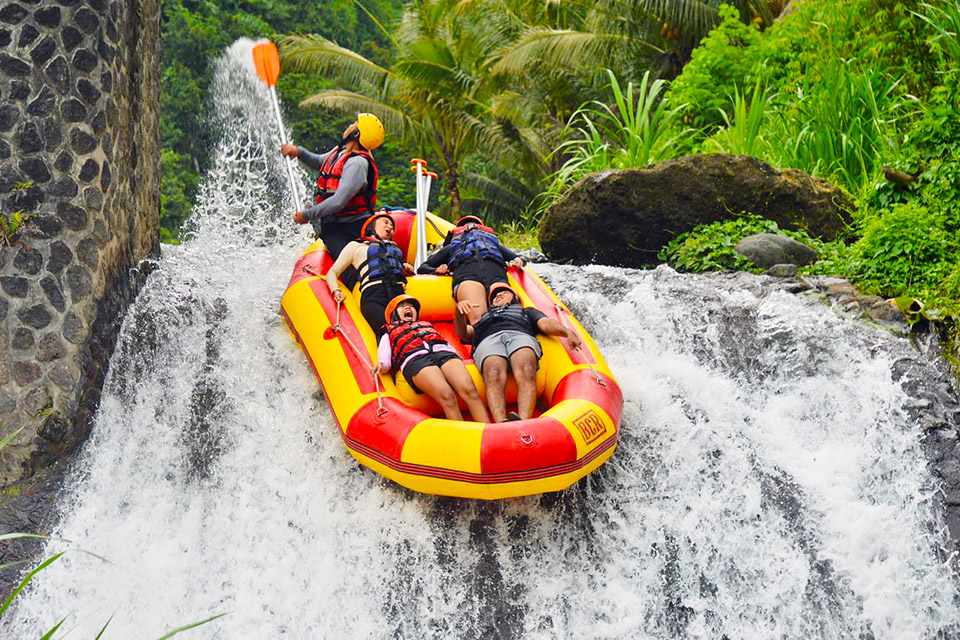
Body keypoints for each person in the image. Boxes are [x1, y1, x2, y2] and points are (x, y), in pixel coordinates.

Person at [455, 283, 581, 423]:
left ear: (515, 298)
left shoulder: (527, 312)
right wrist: (459, 314)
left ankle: (523, 420)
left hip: (519, 334)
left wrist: (567, 332)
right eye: (495, 295)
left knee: (526, 367)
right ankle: (501, 422)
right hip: (489, 339)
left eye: (504, 292)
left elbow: (545, 324)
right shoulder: (484, 318)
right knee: (493, 372)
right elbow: (463, 334)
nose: (498, 295)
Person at [281, 112, 385, 274]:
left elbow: (338, 201)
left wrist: (308, 215)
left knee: (348, 269)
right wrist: (298, 152)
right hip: (335, 225)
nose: (350, 125)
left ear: (356, 134)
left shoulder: (357, 164)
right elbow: (319, 162)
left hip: (351, 229)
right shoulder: (342, 151)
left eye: (354, 124)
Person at [378, 295, 490, 423]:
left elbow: (443, 342)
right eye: (402, 306)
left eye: (411, 305)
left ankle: (489, 431)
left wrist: (455, 354)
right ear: (393, 314)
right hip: (416, 358)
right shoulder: (389, 332)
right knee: (447, 396)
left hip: (443, 353)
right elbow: (385, 356)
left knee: (470, 391)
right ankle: (463, 437)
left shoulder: (426, 325)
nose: (408, 307)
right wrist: (382, 365)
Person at [416, 216, 525, 325]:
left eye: (474, 224)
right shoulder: (452, 247)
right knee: (480, 322)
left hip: (495, 274)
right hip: (467, 275)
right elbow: (422, 268)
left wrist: (518, 262)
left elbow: (518, 258)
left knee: (509, 317)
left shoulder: (493, 244)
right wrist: (436, 271)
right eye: (466, 225)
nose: (470, 227)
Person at [327, 212, 413, 337]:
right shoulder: (356, 247)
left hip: (398, 295)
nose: (390, 227)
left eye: (392, 227)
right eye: (385, 222)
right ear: (372, 226)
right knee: (390, 334)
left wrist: (406, 268)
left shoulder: (394, 251)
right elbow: (332, 272)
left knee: (411, 334)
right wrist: (335, 290)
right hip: (374, 296)